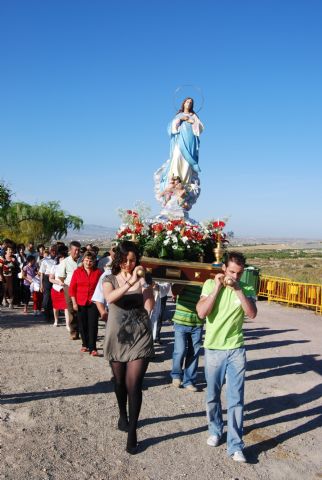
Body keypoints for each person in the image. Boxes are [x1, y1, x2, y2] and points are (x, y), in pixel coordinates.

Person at [196, 251, 257, 463]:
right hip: (213, 349)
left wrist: (238, 289)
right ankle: (215, 430)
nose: (235, 276)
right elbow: (202, 313)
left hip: (236, 349)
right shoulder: (208, 285)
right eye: (232, 272)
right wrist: (217, 288)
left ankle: (236, 445)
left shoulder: (246, 287)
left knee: (236, 398)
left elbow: (252, 313)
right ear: (223, 269)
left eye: (239, 273)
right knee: (212, 395)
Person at [103, 240, 154, 454]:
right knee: (119, 383)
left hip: (140, 335)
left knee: (134, 384)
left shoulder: (144, 277)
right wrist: (130, 282)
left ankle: (133, 432)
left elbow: (149, 303)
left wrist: (145, 289)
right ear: (119, 260)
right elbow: (110, 298)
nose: (129, 264)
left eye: (133, 260)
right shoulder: (109, 279)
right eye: (125, 260)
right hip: (118, 336)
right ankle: (122, 415)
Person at [170, 284, 204, 392]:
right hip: (180, 321)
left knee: (194, 353)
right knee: (179, 351)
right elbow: (174, 290)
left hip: (197, 324)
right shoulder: (184, 278)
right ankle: (176, 375)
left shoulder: (206, 282)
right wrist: (184, 282)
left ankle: (189, 381)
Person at [69, 251, 101, 355]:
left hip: (93, 302)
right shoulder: (77, 272)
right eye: (86, 260)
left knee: (93, 325)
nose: (88, 262)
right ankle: (85, 344)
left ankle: (93, 348)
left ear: (94, 262)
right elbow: (72, 289)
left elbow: (101, 288)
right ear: (83, 260)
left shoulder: (98, 273)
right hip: (80, 302)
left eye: (90, 261)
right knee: (82, 325)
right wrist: (74, 303)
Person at [166, 97, 203, 187]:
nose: (189, 104)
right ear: (183, 103)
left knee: (187, 161)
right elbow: (171, 127)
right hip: (180, 139)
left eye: (190, 102)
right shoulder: (179, 115)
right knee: (177, 155)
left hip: (190, 140)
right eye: (187, 102)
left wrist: (192, 121)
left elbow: (200, 128)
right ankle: (175, 177)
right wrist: (182, 119)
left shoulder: (194, 116)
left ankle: (185, 182)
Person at [58, 241, 81, 339]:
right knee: (71, 310)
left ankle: (83, 331)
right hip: (69, 287)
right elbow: (61, 277)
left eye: (79, 250)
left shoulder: (83, 261)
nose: (77, 252)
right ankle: (73, 331)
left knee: (82, 310)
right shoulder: (65, 262)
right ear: (70, 250)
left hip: (81, 288)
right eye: (75, 250)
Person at [49, 251, 69, 328]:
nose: (62, 259)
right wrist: (58, 282)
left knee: (66, 307)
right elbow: (50, 279)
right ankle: (56, 320)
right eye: (61, 258)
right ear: (58, 259)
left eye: (64, 258)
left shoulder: (68, 268)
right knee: (55, 306)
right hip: (56, 289)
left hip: (65, 289)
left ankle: (68, 324)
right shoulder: (55, 267)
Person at [39, 245, 57, 321]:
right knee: (47, 296)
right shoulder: (45, 260)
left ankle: (53, 313)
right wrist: (41, 284)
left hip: (56, 278)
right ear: (49, 251)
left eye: (55, 250)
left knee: (54, 296)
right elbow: (41, 273)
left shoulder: (58, 259)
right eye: (52, 250)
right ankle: (46, 313)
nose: (54, 251)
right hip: (47, 278)